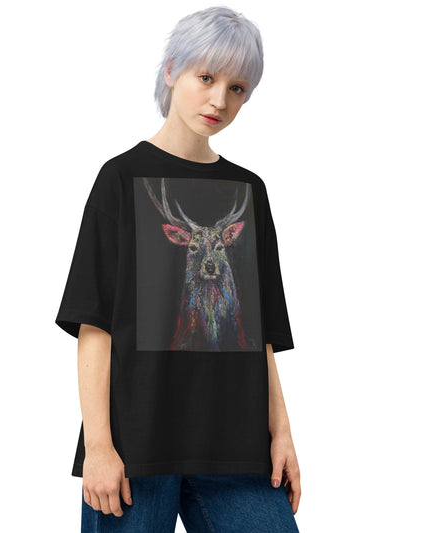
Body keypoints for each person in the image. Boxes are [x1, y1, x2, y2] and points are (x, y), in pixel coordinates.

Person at [55, 6, 301, 532]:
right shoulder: (119, 179)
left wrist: (282, 433)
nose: (219, 100)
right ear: (171, 70)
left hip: (238, 447)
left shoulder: (249, 191)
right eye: (206, 78)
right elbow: (93, 325)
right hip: (135, 449)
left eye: (237, 88)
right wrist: (98, 446)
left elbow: (260, 334)